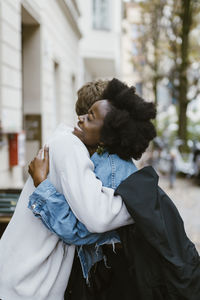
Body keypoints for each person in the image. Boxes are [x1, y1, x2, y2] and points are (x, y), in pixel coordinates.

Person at [0, 78, 156, 300]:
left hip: (30, 282)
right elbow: (95, 219)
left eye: (91, 116)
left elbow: (85, 223)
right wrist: (133, 205)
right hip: (26, 284)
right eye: (87, 114)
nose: (80, 120)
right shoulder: (69, 146)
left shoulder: (92, 156)